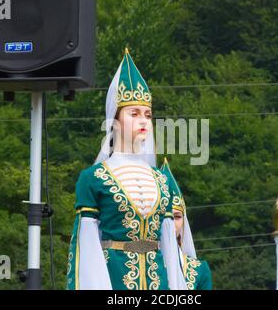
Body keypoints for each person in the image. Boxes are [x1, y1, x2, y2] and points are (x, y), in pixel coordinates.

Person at [66, 48, 187, 290]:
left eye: (148, 114)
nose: (143, 120)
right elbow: (87, 245)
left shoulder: (161, 180)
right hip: (114, 280)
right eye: (134, 113)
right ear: (115, 121)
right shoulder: (94, 178)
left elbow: (170, 250)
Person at [160, 157, 213, 290]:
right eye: (164, 217)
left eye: (176, 217)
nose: (170, 224)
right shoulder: (139, 264)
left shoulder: (199, 270)